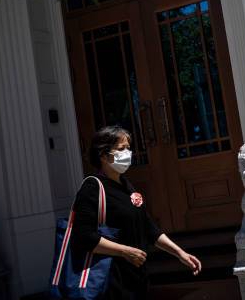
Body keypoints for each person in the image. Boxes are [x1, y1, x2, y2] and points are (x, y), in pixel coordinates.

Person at [70, 125, 202, 299]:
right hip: (110, 281)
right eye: (121, 149)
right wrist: (125, 251)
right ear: (103, 155)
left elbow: (148, 228)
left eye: (128, 148)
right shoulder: (92, 188)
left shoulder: (126, 185)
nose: (127, 153)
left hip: (136, 277)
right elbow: (83, 236)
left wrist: (180, 253)